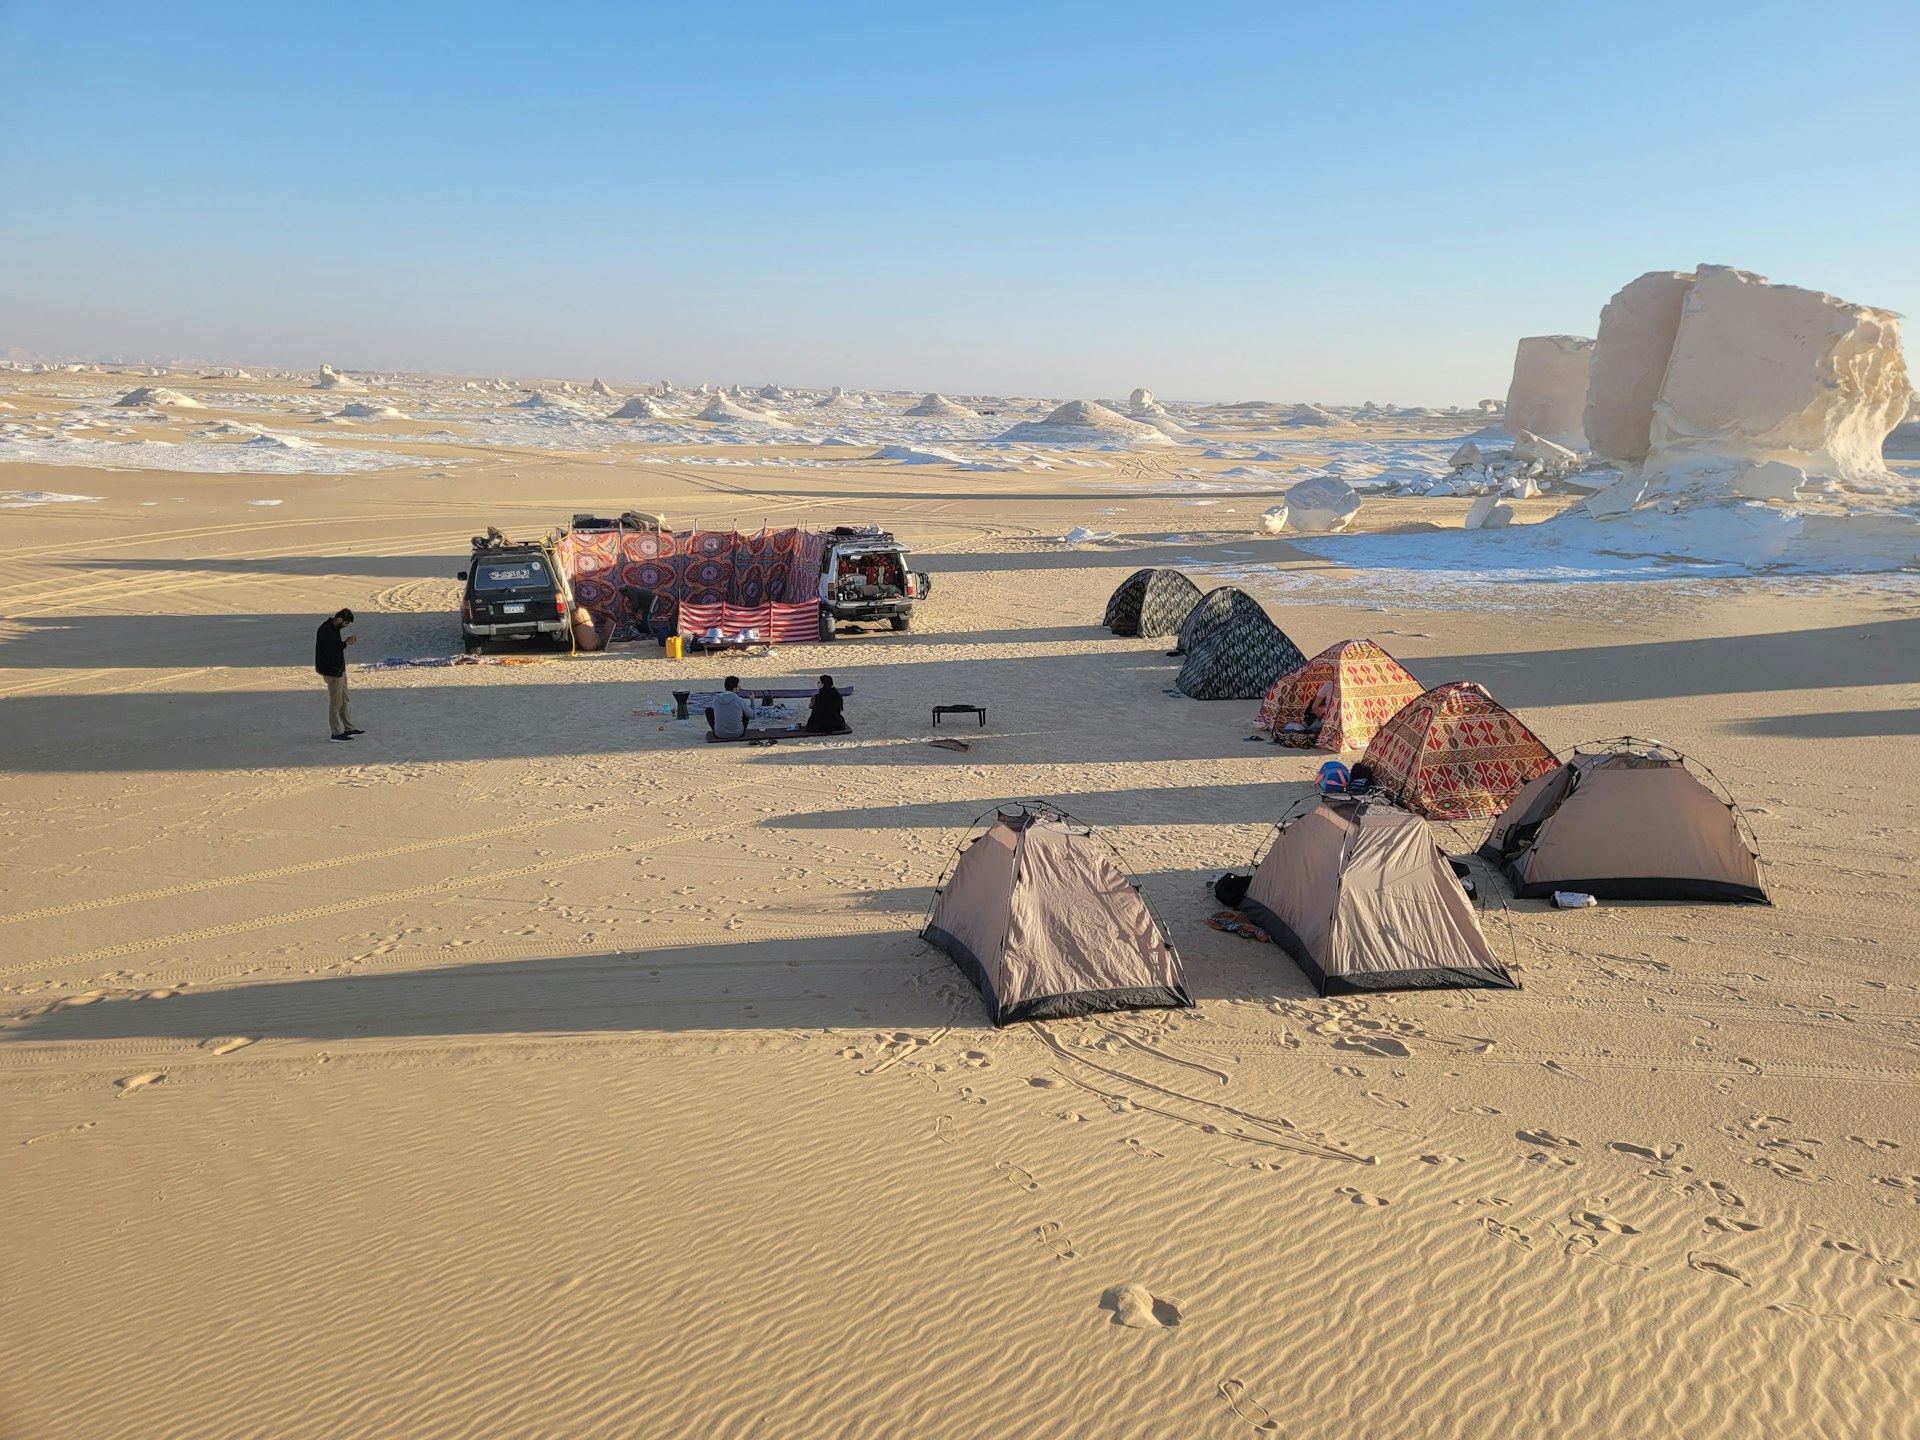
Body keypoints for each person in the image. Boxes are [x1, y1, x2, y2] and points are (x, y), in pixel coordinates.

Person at [315, 608, 361, 741]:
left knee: (344, 699)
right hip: (332, 671)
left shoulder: (333, 628)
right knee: (336, 702)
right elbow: (331, 651)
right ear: (340, 620)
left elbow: (335, 646)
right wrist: (346, 643)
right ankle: (335, 733)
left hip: (340, 669)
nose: (345, 626)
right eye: (346, 623)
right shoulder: (326, 630)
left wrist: (344, 643)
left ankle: (348, 728)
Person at [705, 675, 754, 740]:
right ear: (734, 688)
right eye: (738, 686)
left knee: (709, 711)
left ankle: (719, 729)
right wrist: (752, 701)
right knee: (745, 710)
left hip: (719, 734)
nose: (739, 687)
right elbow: (752, 716)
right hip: (737, 733)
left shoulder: (716, 699)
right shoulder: (739, 700)